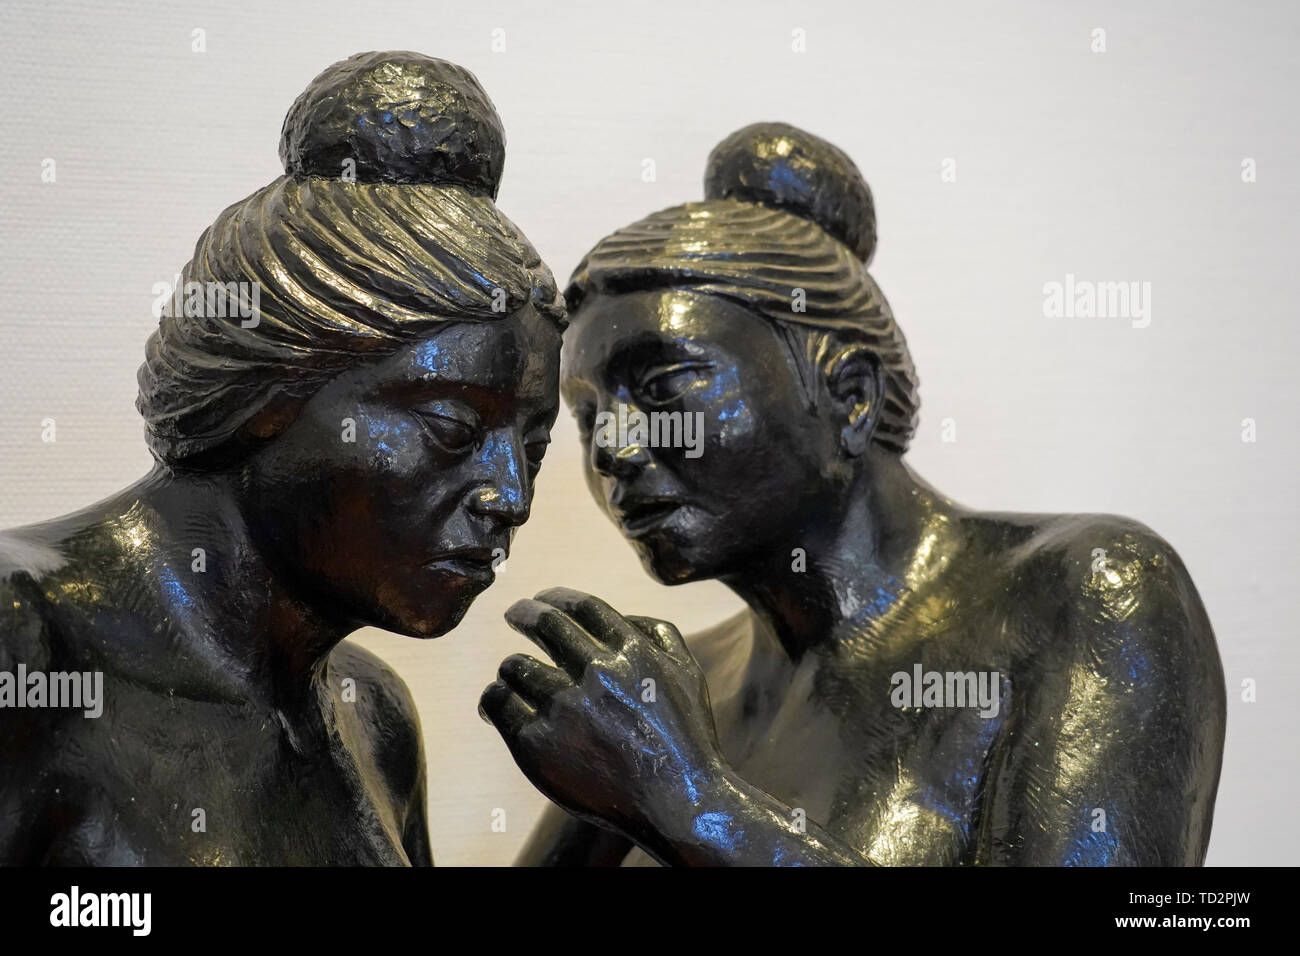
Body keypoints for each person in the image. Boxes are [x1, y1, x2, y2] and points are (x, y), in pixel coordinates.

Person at [481, 122, 1227, 866]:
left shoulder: (1087, 591)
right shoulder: (674, 685)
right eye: (586, 416)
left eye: (663, 386)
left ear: (850, 395)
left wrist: (694, 806)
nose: (613, 448)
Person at [0, 51, 565, 865]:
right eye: (451, 429)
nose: (511, 497)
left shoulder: (371, 715)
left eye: (534, 446)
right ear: (271, 395)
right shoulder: (26, 635)